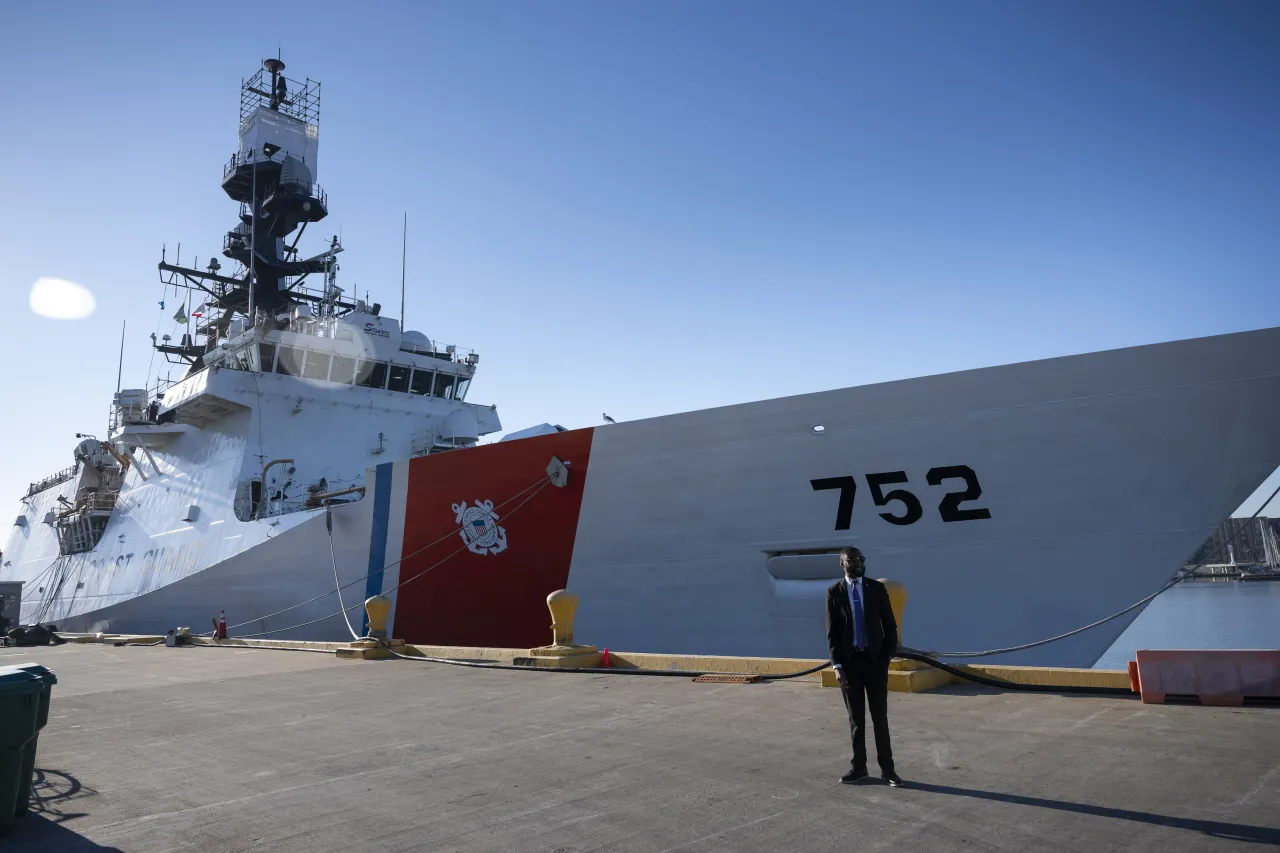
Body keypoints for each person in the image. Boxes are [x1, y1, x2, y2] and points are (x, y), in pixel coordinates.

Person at [826, 546, 904, 787]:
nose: (859, 563)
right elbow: (833, 633)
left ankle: (888, 770)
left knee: (880, 717)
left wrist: (886, 657)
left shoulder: (876, 589)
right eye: (853, 560)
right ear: (842, 564)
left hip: (874, 662)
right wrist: (837, 665)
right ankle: (859, 768)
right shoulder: (834, 592)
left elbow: (889, 626)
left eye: (861, 559)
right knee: (856, 720)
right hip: (849, 665)